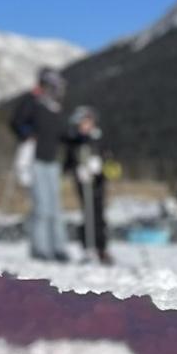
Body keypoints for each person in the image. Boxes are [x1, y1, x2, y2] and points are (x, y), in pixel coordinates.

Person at [10, 67, 68, 262]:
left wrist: (77, 137)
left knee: (56, 207)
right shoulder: (32, 101)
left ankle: (58, 247)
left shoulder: (55, 107)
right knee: (41, 206)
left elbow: (61, 133)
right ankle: (39, 248)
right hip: (35, 161)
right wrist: (27, 134)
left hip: (52, 162)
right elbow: (16, 122)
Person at [63, 106, 111, 264]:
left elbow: (107, 157)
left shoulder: (98, 138)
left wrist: (100, 165)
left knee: (99, 214)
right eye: (82, 123)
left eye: (87, 122)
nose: (85, 126)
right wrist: (76, 169)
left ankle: (101, 248)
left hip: (97, 181)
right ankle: (87, 247)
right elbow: (68, 161)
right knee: (87, 213)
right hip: (82, 181)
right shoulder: (74, 140)